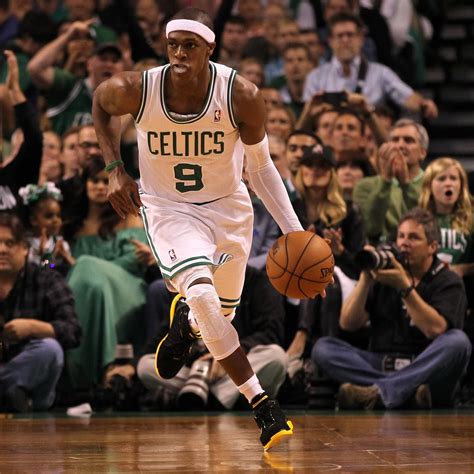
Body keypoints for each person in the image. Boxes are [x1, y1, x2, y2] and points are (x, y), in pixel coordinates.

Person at [92, 7, 310, 450]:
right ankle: (262, 404)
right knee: (205, 296)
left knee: (219, 315)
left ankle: (187, 325)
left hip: (228, 209)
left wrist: (295, 232)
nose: (179, 53)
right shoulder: (138, 88)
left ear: (210, 48)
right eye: (172, 45)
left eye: (189, 45)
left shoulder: (241, 95)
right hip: (169, 209)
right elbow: (100, 102)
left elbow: (261, 168)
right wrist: (115, 168)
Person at [312, 208, 471, 409]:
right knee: (323, 348)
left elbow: (435, 329)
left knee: (458, 342)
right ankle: (406, 393)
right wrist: (365, 278)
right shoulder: (384, 274)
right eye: (401, 236)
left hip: (425, 366)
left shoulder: (448, 281)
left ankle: (380, 391)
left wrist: (405, 288)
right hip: (380, 364)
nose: (404, 243)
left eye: (413, 237)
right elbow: (348, 323)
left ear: (432, 247)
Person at [0, 212, 81, 412]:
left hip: (36, 379)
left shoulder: (47, 279)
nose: (2, 250)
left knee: (50, 350)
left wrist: (32, 327)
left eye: (9, 243)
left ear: (25, 248)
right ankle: (8, 395)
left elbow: (73, 331)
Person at [303, 12, 438, 118]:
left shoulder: (381, 73)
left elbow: (406, 96)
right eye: (340, 36)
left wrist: (423, 105)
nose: (345, 40)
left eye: (350, 35)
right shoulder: (315, 77)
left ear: (361, 39)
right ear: (330, 41)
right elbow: (308, 114)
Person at [419, 157, 474, 278]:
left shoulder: (471, 220)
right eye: (441, 179)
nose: (448, 183)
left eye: (453, 178)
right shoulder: (418, 221)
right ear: (429, 186)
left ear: (461, 186)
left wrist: (464, 269)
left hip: (461, 286)